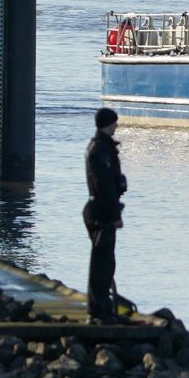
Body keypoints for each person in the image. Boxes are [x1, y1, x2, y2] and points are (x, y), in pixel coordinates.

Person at [84, 107, 128, 322]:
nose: (117, 126)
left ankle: (103, 306)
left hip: (101, 210)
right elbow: (105, 187)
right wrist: (114, 215)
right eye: (114, 122)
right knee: (102, 264)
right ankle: (98, 309)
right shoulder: (100, 151)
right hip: (101, 213)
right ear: (107, 124)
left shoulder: (101, 148)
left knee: (105, 262)